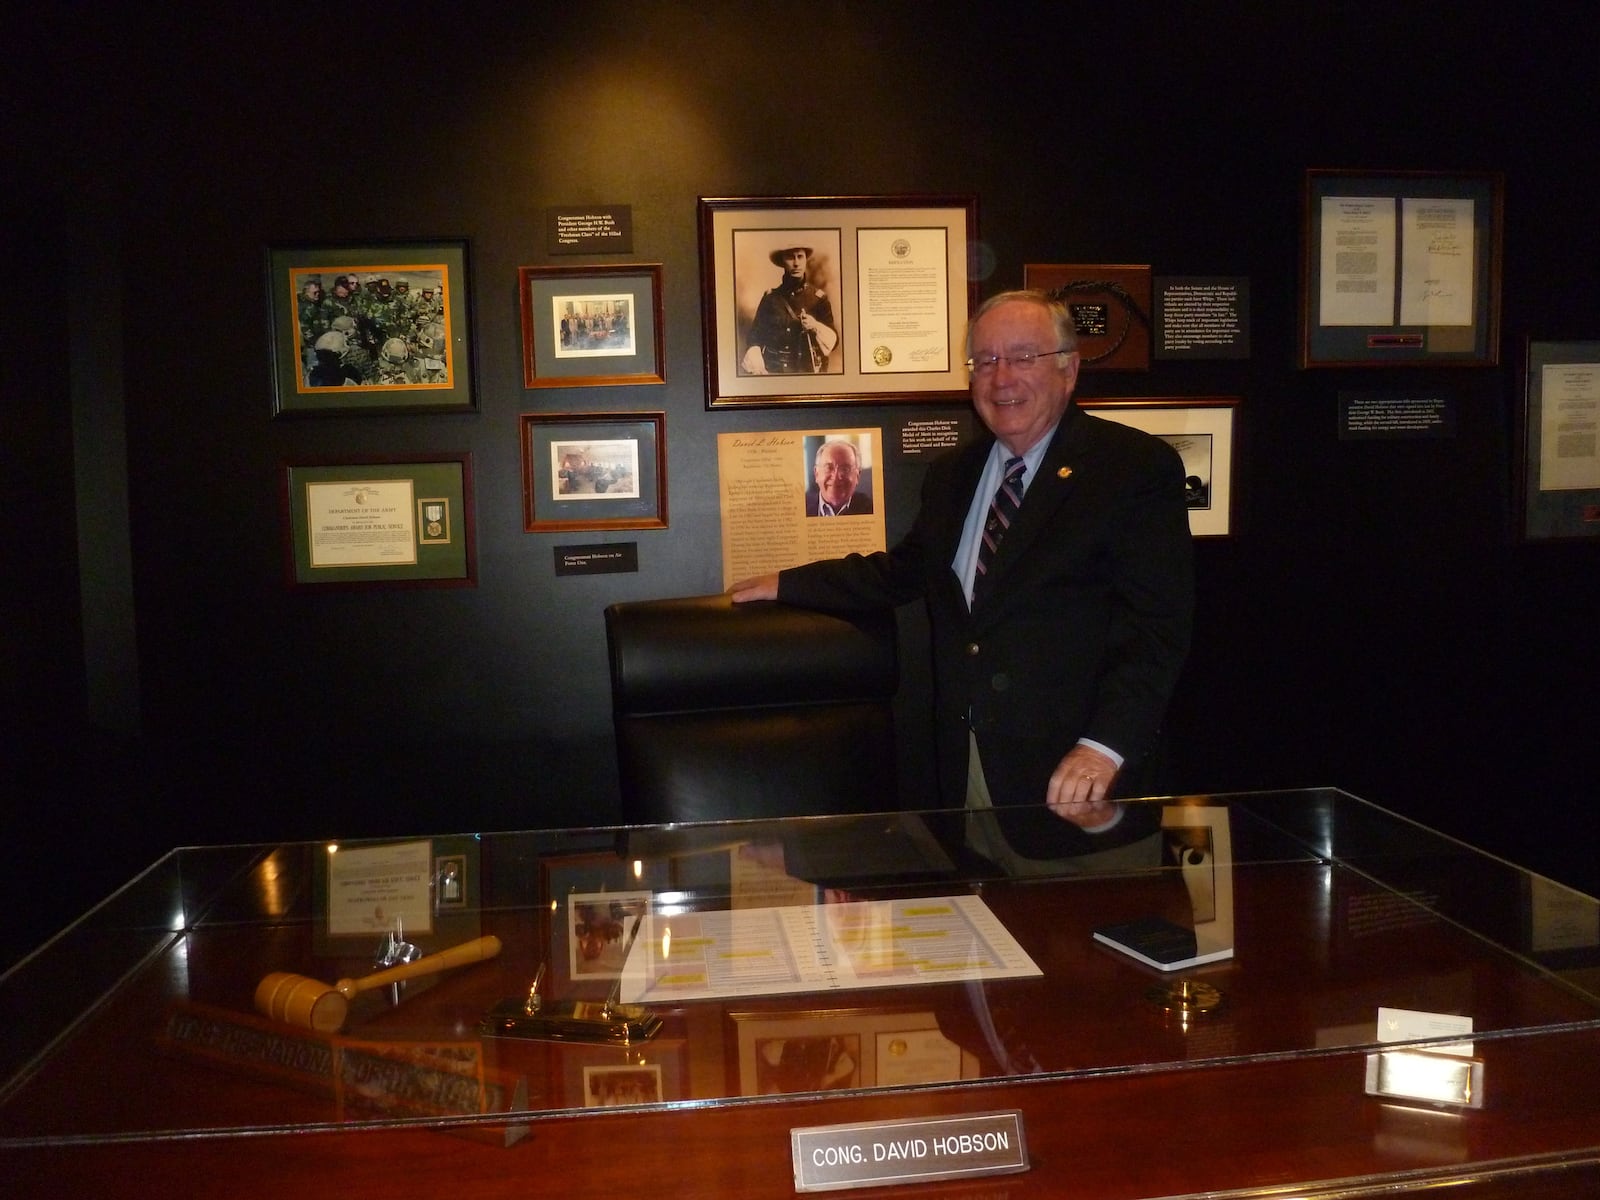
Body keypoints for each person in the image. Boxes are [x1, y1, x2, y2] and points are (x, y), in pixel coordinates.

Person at [731, 289, 1193, 868]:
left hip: (1080, 791)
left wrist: (1104, 748)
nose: (1001, 378)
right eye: (985, 361)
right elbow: (904, 572)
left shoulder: (1132, 468)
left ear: (1068, 369)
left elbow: (1157, 629)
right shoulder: (956, 473)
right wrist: (788, 584)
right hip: (970, 782)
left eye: (1023, 357)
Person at [741, 245, 839, 374]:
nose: (796, 263)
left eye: (800, 257)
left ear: (805, 260)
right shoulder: (770, 299)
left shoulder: (818, 299)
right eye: (790, 257)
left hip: (807, 372)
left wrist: (814, 325)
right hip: (775, 372)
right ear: (782, 261)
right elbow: (754, 338)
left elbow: (834, 342)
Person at [806, 438, 874, 516]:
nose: (836, 477)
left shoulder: (871, 510)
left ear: (857, 475)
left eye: (845, 469)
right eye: (828, 468)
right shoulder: (801, 509)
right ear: (816, 474)